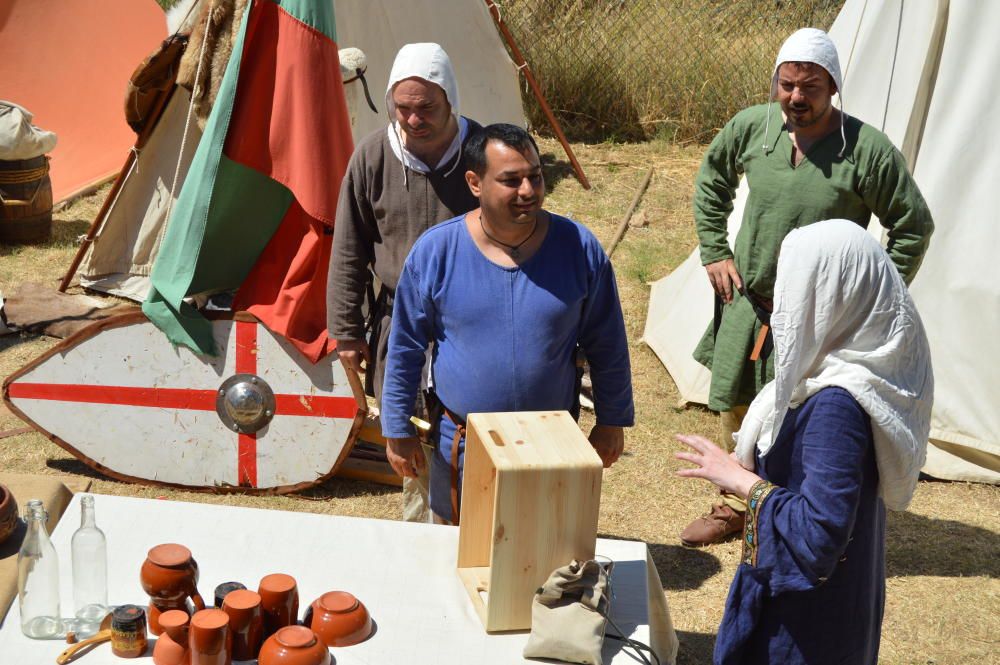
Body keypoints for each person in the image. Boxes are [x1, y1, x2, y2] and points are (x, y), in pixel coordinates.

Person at [681, 27, 934, 546]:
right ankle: (736, 506)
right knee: (739, 407)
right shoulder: (753, 128)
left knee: (804, 416)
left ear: (833, 86)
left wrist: (869, 303)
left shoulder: (867, 151)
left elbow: (913, 226)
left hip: (821, 320)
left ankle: (793, 512)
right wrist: (715, 250)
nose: (796, 97)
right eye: (787, 84)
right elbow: (711, 180)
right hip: (753, 307)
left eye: (810, 87)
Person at [676, 219, 933, 665]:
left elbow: (819, 537)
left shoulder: (837, 405)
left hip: (808, 627)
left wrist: (741, 482)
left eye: (799, 285)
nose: (781, 304)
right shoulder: (845, 373)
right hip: (829, 606)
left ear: (836, 293)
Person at [379, 123, 633, 524]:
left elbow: (608, 344)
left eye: (535, 176)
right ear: (475, 182)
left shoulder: (578, 249)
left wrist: (612, 419)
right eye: (511, 180)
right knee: (458, 554)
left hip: (552, 443)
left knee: (546, 552)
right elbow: (405, 347)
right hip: (462, 445)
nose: (528, 191)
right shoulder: (436, 252)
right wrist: (397, 428)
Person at [326, 43, 483, 522]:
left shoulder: (484, 151)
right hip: (402, 321)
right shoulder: (373, 156)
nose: (414, 120)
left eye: (427, 108)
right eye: (404, 108)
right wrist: (347, 330)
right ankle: (423, 533)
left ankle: (480, 527)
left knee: (475, 437)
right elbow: (350, 248)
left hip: (474, 319)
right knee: (410, 436)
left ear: (450, 99)